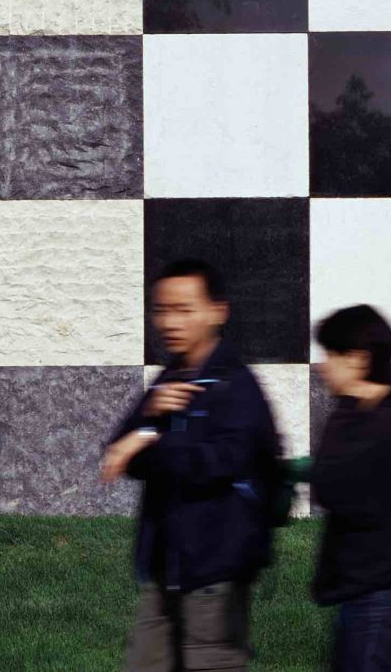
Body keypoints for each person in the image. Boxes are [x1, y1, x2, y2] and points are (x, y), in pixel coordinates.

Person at [102, 257, 283, 670]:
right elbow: (121, 454)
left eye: (184, 310)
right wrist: (149, 419)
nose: (169, 322)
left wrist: (150, 438)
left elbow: (217, 464)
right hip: (165, 565)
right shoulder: (169, 378)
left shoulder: (236, 388)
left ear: (218, 312)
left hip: (215, 572)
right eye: (161, 310)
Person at [308, 304, 391, 672]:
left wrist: (346, 408)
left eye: (331, 354)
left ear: (358, 360)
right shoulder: (383, 416)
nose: (322, 366)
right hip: (375, 589)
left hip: (381, 592)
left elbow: (334, 489)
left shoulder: (382, 423)